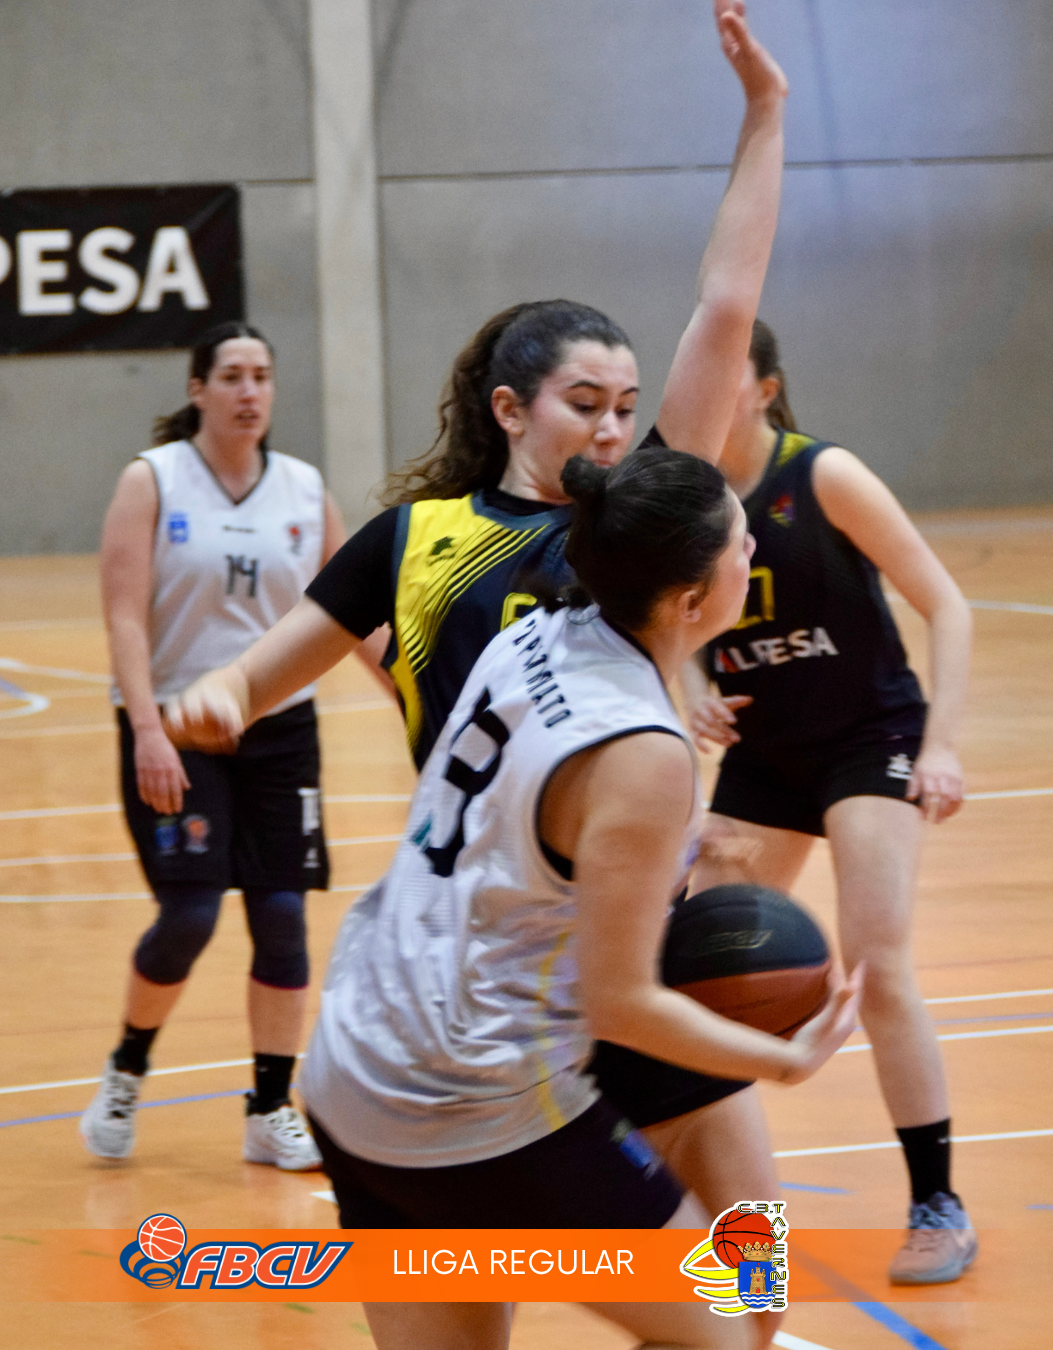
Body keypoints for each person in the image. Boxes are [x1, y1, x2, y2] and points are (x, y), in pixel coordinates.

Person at [166, 5, 792, 1315]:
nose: (614, 432)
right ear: (510, 408)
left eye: (629, 409)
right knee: (600, 1290)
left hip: (617, 935)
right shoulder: (420, 541)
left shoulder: (630, 528)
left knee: (753, 1267)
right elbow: (263, 672)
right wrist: (215, 695)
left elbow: (727, 308)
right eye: (585, 405)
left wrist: (763, 118)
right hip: (492, 965)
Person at [298, 448, 862, 1350]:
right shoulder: (643, 752)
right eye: (739, 542)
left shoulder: (538, 631)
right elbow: (621, 1003)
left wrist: (650, 851)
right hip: (478, 1098)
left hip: (359, 1055)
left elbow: (539, 816)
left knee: (748, 1287)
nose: (754, 545)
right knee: (728, 1326)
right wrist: (785, 1058)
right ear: (688, 600)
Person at [683, 318, 976, 1285]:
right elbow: (661, 621)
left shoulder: (824, 476)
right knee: (697, 970)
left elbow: (947, 603)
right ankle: (728, 1222)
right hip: (763, 756)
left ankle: (937, 1201)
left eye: (727, 374)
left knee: (876, 964)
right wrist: (689, 681)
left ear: (765, 388)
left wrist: (940, 745)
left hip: (869, 739)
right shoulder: (686, 497)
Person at [80, 321, 381, 1170]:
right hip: (178, 725)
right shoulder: (153, 480)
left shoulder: (303, 490)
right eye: (233, 376)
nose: (251, 392)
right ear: (198, 389)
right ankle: (126, 1070)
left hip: (279, 730)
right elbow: (123, 617)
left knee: (283, 917)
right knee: (190, 916)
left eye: (262, 376)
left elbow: (357, 618)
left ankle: (269, 1107)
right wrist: (148, 730)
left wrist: (418, 700)